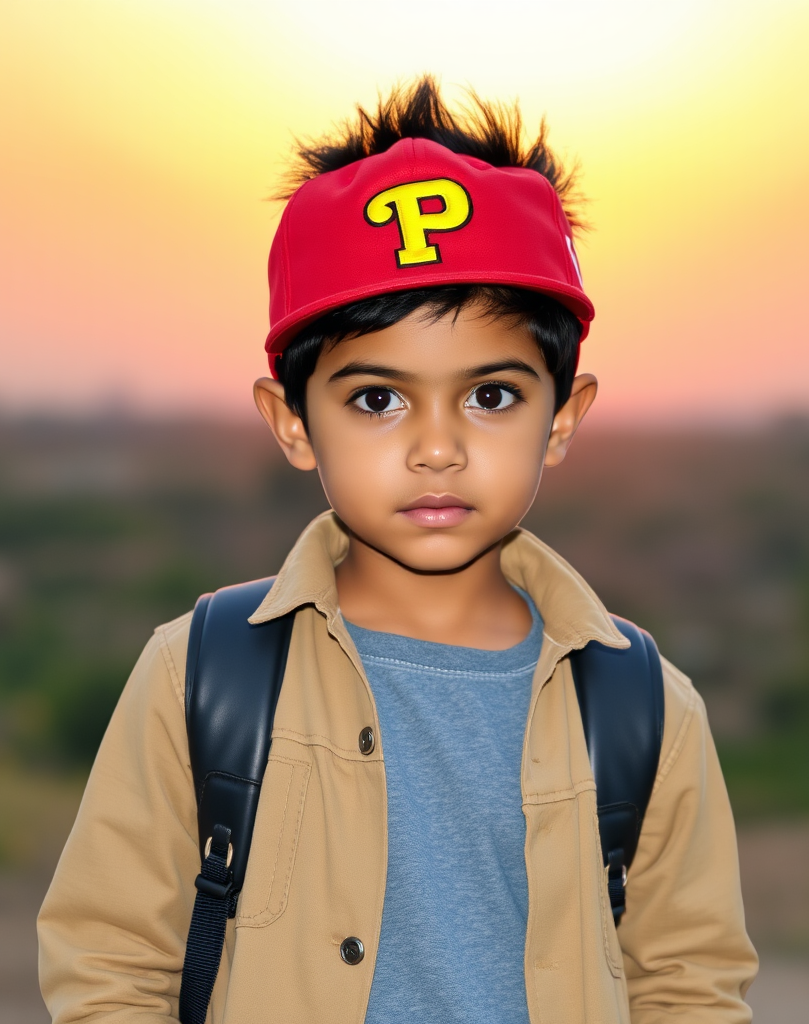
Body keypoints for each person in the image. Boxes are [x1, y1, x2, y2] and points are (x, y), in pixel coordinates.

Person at [38, 76, 757, 1023]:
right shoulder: (203, 674)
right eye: (376, 399)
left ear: (563, 419)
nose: (437, 446)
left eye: (491, 395)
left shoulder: (641, 704)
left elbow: (690, 981)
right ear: (292, 421)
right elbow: (109, 962)